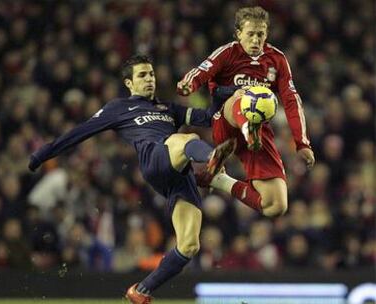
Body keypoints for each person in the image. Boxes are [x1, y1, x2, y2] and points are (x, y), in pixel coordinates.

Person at [28, 54, 235, 303]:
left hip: (178, 177)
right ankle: (212, 160)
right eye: (142, 75)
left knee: (189, 246)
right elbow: (79, 132)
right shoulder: (118, 108)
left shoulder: (169, 108)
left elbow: (210, 117)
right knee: (187, 139)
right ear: (129, 83)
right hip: (154, 160)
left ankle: (140, 291)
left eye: (151, 74)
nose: (149, 79)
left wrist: (217, 90)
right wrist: (42, 155)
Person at [178, 6, 315, 217]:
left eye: (260, 34)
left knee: (276, 206)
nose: (255, 39)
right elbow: (202, 71)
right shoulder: (228, 52)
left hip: (258, 132)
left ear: (266, 34)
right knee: (246, 95)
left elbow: (291, 99)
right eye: (250, 33)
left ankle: (217, 180)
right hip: (225, 121)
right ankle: (247, 127)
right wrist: (189, 84)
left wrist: (302, 142)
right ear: (238, 33)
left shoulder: (277, 60)